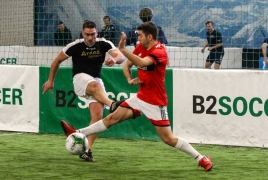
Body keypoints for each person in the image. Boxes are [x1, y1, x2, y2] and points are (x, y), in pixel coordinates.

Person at [61, 22, 213, 171]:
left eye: (140, 36)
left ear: (150, 36)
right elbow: (127, 65)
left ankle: (201, 158)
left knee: (168, 139)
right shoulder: (141, 47)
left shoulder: (160, 52)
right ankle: (77, 133)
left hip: (155, 102)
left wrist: (122, 49)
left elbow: (141, 62)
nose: (138, 39)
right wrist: (129, 79)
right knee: (111, 119)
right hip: (140, 98)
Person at [43, 20, 125, 162]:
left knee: (97, 117)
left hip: (95, 81)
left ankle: (86, 150)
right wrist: (51, 80)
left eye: (92, 34)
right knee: (95, 86)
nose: (90, 37)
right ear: (82, 33)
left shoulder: (104, 43)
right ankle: (112, 104)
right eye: (87, 34)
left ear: (96, 33)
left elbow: (121, 56)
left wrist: (114, 59)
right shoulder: (75, 45)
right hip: (80, 80)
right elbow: (56, 61)